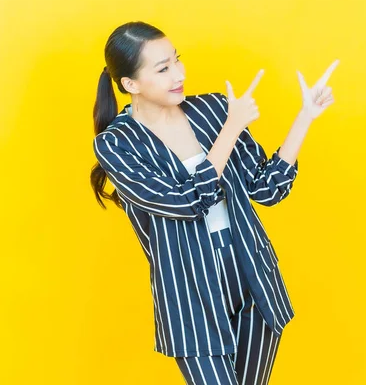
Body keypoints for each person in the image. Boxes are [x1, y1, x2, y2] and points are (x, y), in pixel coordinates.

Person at [90, 20, 338, 385]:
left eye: (177, 60)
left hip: (252, 276)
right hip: (189, 291)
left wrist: (305, 117)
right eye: (163, 69)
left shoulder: (214, 110)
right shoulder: (116, 144)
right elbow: (186, 202)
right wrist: (231, 129)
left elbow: (267, 189)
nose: (179, 73)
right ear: (130, 84)